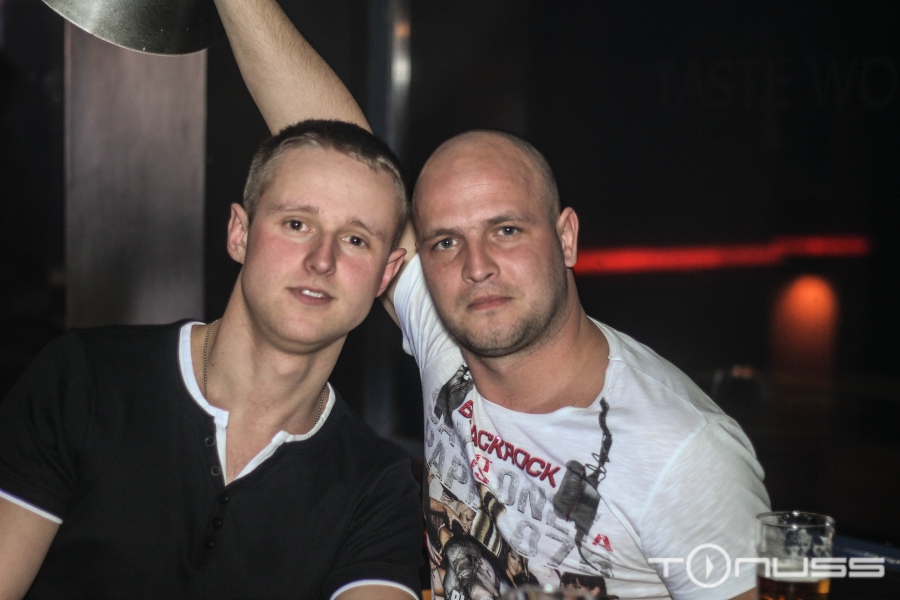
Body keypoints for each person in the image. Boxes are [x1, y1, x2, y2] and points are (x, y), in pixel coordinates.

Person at [231, 2, 773, 598]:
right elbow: (335, 158)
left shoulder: (684, 453)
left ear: (566, 238)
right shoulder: (450, 339)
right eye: (445, 242)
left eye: (507, 230)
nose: (476, 266)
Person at [0, 120, 424, 599]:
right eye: (296, 224)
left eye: (355, 240)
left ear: (385, 274)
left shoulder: (378, 485)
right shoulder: (85, 379)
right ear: (240, 234)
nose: (322, 260)